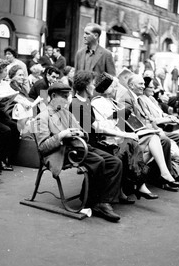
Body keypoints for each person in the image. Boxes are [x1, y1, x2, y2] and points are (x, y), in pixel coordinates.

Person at [32, 81, 123, 222]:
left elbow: (84, 132)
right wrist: (62, 135)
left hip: (79, 148)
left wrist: (80, 133)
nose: (68, 99)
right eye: (64, 96)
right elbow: (42, 147)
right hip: (62, 152)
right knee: (99, 162)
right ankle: (97, 202)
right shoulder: (40, 117)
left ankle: (103, 200)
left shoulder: (67, 113)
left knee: (115, 162)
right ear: (54, 95)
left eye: (68, 96)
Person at [71, 70, 158, 202]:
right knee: (128, 145)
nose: (94, 87)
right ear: (84, 85)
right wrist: (123, 133)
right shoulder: (77, 104)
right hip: (90, 145)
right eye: (92, 84)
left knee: (130, 144)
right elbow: (97, 128)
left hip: (95, 142)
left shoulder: (85, 101)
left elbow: (96, 126)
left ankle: (131, 187)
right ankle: (133, 187)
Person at [122, 72, 179, 191]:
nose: (143, 86)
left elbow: (145, 119)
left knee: (165, 139)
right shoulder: (126, 98)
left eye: (144, 84)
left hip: (141, 133)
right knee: (164, 140)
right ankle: (163, 176)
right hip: (132, 135)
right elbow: (128, 124)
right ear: (131, 85)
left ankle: (166, 175)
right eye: (140, 84)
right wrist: (153, 130)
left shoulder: (136, 98)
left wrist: (154, 129)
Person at [138, 76, 179, 159]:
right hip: (156, 128)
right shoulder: (141, 99)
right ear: (145, 88)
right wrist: (171, 119)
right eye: (151, 87)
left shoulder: (152, 99)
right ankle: (176, 163)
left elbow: (162, 113)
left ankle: (175, 162)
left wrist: (172, 117)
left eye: (153, 87)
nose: (153, 89)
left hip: (162, 126)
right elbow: (151, 119)